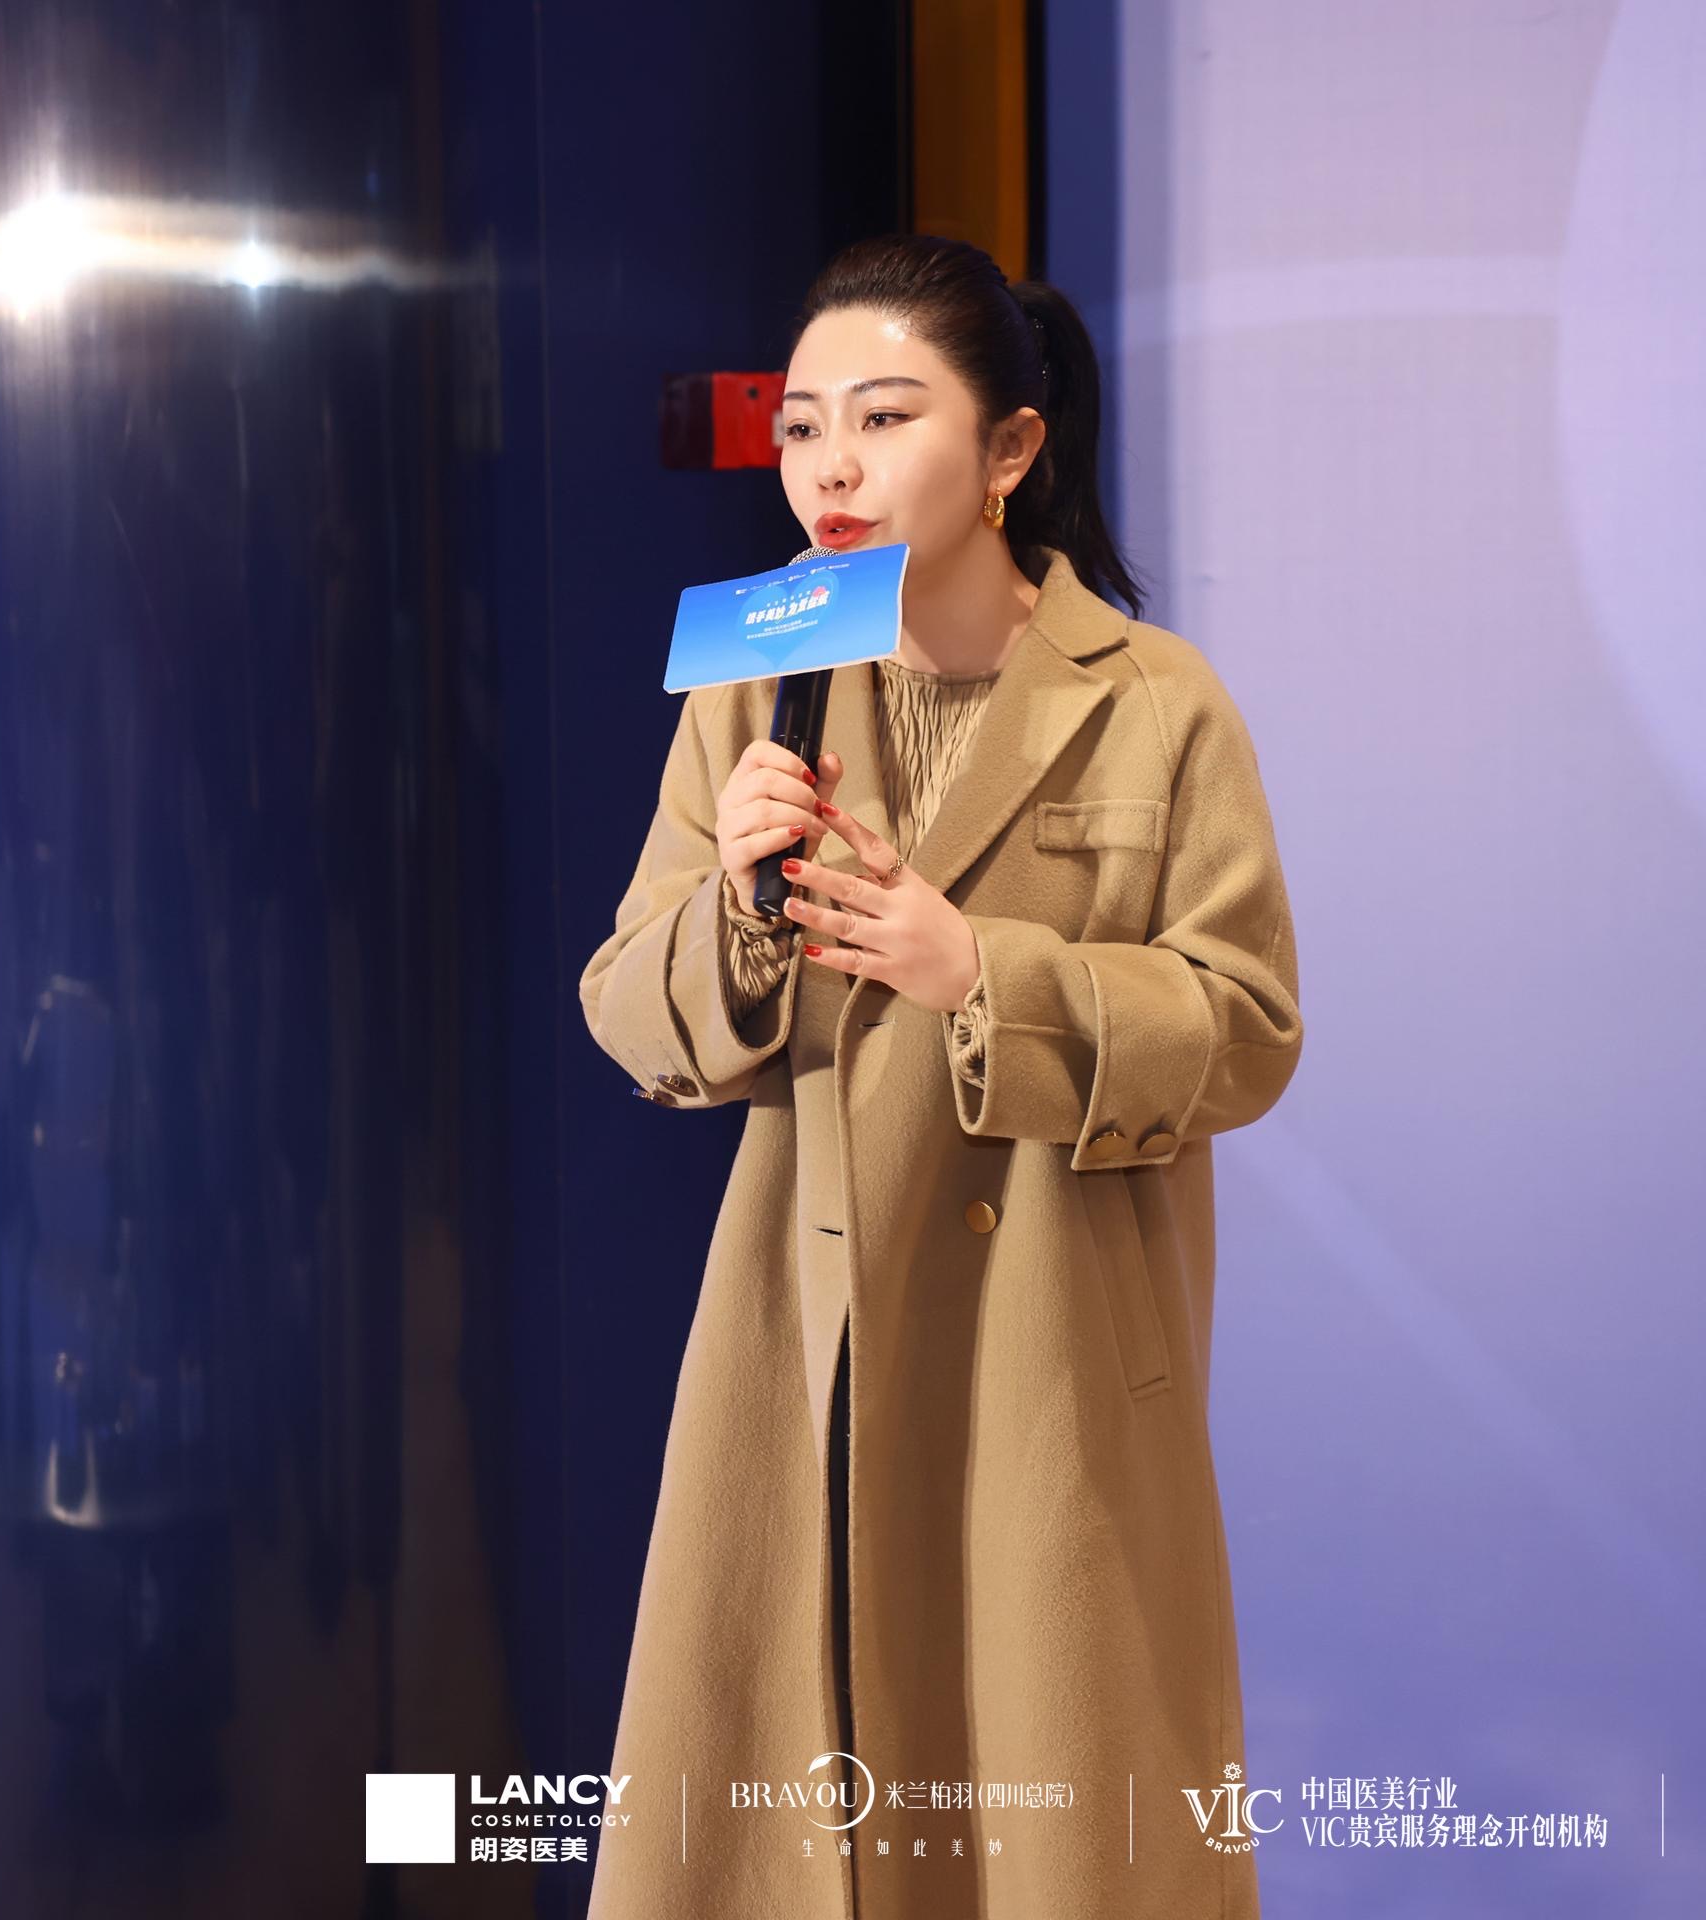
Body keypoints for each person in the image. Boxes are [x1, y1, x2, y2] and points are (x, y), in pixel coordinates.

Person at [579, 232, 1303, 1919]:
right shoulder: (756, 684)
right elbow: (627, 1006)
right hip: (803, 1349)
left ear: (1009, 450)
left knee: (1056, 1821)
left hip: (1053, 1359)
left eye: (884, 418)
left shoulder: (1158, 700)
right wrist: (736, 912)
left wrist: (981, 973)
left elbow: (1247, 1027)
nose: (830, 466)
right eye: (802, 426)